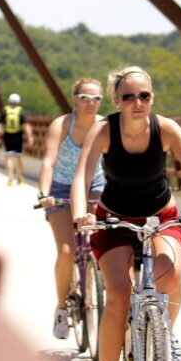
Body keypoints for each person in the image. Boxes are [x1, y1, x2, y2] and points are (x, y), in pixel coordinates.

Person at [70, 66, 181, 361]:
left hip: (160, 216)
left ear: (152, 97)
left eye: (144, 96)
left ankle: (166, 337)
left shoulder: (166, 129)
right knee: (119, 295)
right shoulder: (104, 130)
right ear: (117, 101)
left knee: (173, 275)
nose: (138, 102)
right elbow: (82, 175)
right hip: (114, 220)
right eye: (129, 97)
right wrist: (82, 213)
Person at [35, 78, 105, 340]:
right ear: (75, 98)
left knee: (107, 246)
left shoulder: (104, 125)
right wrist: (44, 193)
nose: (91, 103)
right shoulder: (63, 125)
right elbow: (48, 161)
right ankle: (62, 308)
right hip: (62, 190)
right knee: (66, 251)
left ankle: (102, 289)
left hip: (94, 186)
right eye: (86, 98)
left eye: (96, 98)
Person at [0, 93, 34, 185]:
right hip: (18, 136)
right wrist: (30, 137)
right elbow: (26, 125)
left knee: (8, 157)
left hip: (7, 135)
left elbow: (1, 125)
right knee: (19, 157)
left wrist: (0, 136)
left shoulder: (5, 111)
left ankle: (10, 178)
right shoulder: (21, 111)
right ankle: (19, 177)